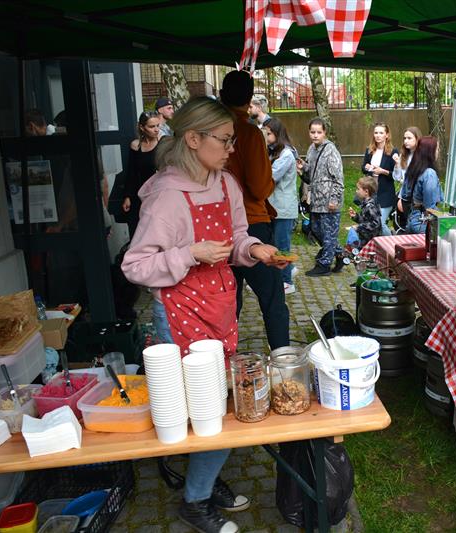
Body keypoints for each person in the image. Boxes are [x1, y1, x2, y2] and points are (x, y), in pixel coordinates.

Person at [122, 96, 287, 533]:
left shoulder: (225, 183)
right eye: (225, 140)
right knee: (208, 404)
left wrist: (254, 248)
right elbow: (134, 265)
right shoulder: (166, 197)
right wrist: (188, 254)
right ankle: (195, 501)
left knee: (217, 401)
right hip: (179, 312)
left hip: (220, 303)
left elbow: (235, 236)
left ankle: (204, 479)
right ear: (193, 140)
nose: (232, 148)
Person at [219, 70, 290, 350]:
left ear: (223, 96)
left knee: (228, 300)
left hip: (216, 226)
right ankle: (284, 361)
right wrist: (271, 180)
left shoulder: (210, 131)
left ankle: (225, 360)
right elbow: (260, 187)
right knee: (272, 299)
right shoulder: (248, 133)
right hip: (251, 223)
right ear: (249, 100)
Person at [297, 118, 345, 276]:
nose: (315, 135)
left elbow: (338, 178)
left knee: (328, 232)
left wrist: (334, 199)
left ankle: (324, 264)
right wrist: (303, 167)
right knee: (316, 230)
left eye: (319, 132)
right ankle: (339, 253)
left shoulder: (331, 150)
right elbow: (311, 173)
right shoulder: (312, 149)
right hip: (316, 200)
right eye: (312, 132)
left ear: (325, 132)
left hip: (329, 200)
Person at [263, 117, 298, 295]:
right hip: (274, 206)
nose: (265, 137)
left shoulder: (286, 154)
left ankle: (287, 281)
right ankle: (284, 273)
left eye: (268, 134)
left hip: (283, 208)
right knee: (273, 243)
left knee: (282, 244)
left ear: (277, 134)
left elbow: (270, 176)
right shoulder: (273, 151)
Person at [122, 111, 161, 239]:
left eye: (157, 126)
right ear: (141, 127)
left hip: (158, 195)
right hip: (139, 195)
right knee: (137, 233)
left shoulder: (164, 143)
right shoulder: (135, 145)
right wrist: (127, 196)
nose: (156, 130)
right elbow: (131, 172)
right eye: (151, 126)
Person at [361, 122, 398, 236]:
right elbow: (363, 167)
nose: (378, 135)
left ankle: (392, 240)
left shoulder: (393, 152)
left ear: (386, 135)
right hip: (372, 192)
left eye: (381, 133)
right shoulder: (369, 150)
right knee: (370, 222)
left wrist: (382, 171)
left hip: (386, 193)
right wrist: (368, 168)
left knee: (379, 224)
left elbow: (396, 175)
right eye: (376, 132)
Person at [405, 136, 444, 234]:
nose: (438, 152)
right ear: (430, 151)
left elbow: (405, 194)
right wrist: (444, 218)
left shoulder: (413, 169)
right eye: (437, 149)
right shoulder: (429, 174)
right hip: (423, 223)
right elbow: (430, 206)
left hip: (412, 219)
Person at [393, 126, 423, 231]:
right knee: (405, 223)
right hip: (405, 195)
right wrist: (397, 165)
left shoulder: (422, 156)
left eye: (409, 138)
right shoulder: (404, 156)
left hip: (418, 196)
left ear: (417, 139)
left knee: (416, 223)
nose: (406, 141)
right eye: (404, 138)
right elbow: (397, 177)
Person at [347, 176, 382, 249]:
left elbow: (375, 224)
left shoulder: (370, 206)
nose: (356, 191)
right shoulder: (365, 204)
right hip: (365, 237)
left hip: (369, 240)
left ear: (366, 192)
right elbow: (365, 220)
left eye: (358, 189)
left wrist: (358, 227)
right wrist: (356, 216)